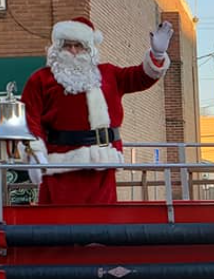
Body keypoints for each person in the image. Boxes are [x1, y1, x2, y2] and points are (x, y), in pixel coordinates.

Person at [20, 16, 173, 205]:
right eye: (67, 45)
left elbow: (139, 77)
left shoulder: (109, 74)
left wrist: (157, 54)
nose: (73, 51)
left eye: (79, 45)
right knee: (60, 221)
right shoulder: (41, 80)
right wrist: (34, 153)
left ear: (89, 48)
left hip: (102, 166)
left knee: (103, 220)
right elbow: (28, 119)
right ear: (57, 48)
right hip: (59, 169)